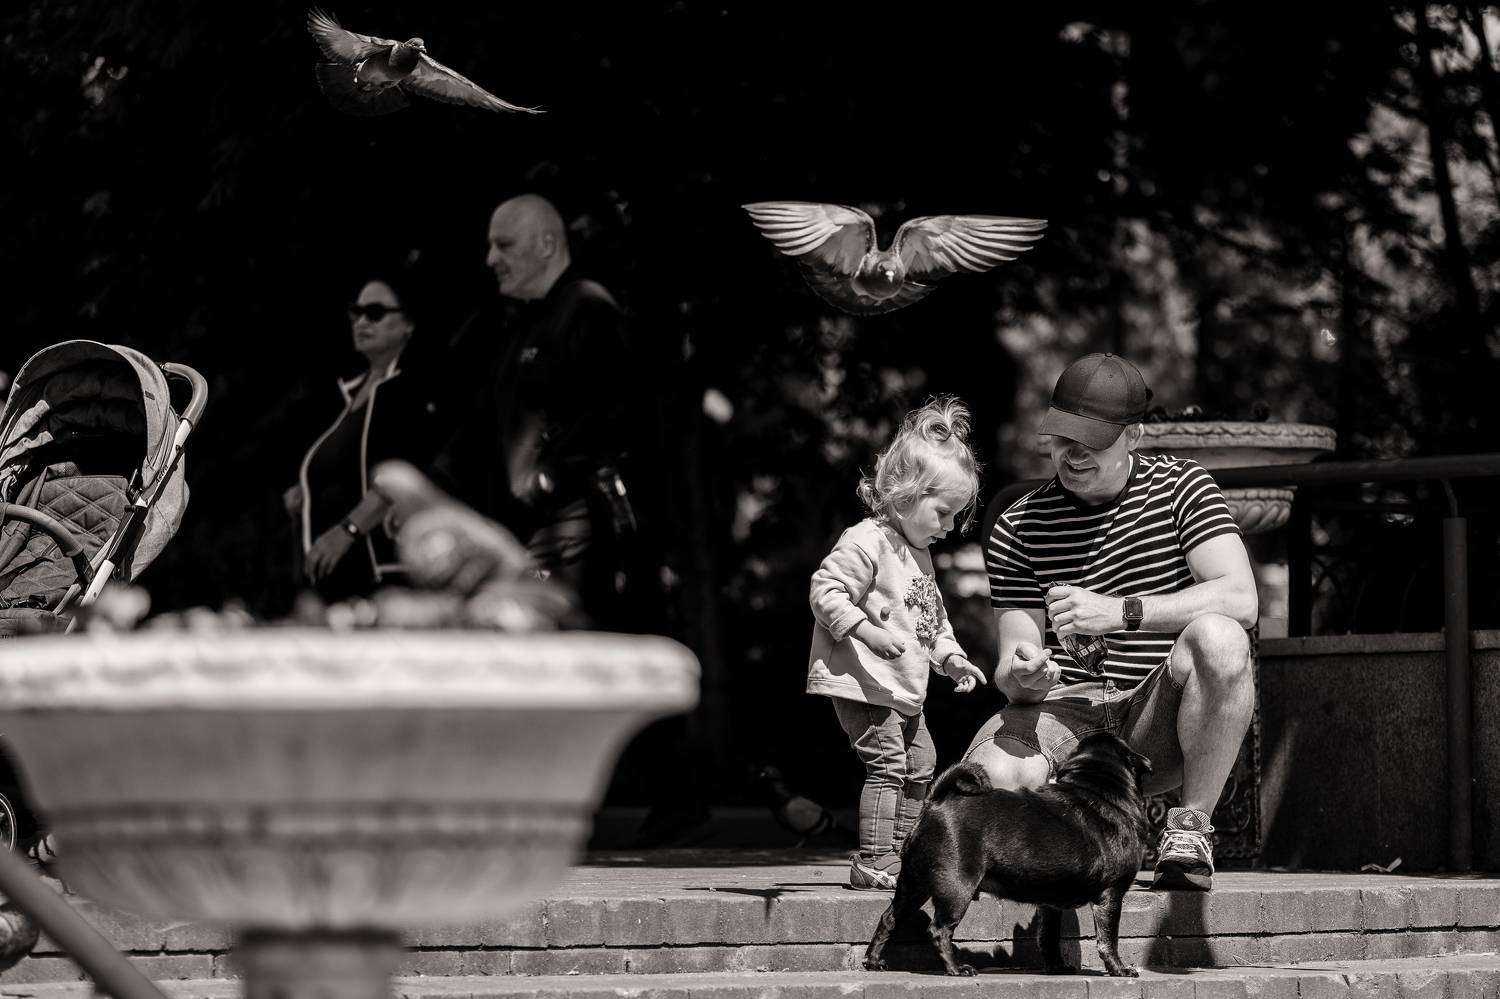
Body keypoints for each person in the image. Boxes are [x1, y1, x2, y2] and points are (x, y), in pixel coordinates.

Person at [964, 353, 1257, 891]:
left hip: (1157, 718)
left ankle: (1189, 830)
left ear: (1134, 436)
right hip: (1064, 713)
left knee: (1221, 636)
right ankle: (1053, 861)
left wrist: (1120, 612)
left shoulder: (1183, 486)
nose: (1073, 453)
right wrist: (1024, 675)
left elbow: (1241, 597)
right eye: (1063, 437)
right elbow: (1011, 670)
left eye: (1093, 440)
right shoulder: (1018, 524)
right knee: (991, 785)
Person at [808, 396, 990, 890]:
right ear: (906, 494)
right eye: (945, 513)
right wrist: (865, 631)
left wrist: (951, 658)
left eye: (956, 516)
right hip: (866, 682)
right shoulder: (867, 540)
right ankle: (874, 858)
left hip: (903, 689)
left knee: (922, 764)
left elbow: (931, 619)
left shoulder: (917, 553)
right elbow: (826, 591)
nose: (950, 527)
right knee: (888, 764)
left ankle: (904, 852)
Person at [434, 193, 635, 626]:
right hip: (522, 531)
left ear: (546, 244)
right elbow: (481, 430)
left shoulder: (587, 306)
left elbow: (613, 413)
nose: (491, 259)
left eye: (503, 245)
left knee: (561, 635)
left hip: (573, 527)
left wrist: (548, 479)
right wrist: (432, 489)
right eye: (490, 246)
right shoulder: (520, 328)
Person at [284, 273, 448, 601]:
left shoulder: (415, 387)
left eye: (375, 312)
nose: (361, 322)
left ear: (408, 324)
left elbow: (407, 474)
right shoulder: (347, 391)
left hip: (388, 571)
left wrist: (348, 529)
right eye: (356, 313)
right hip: (334, 575)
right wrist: (307, 490)